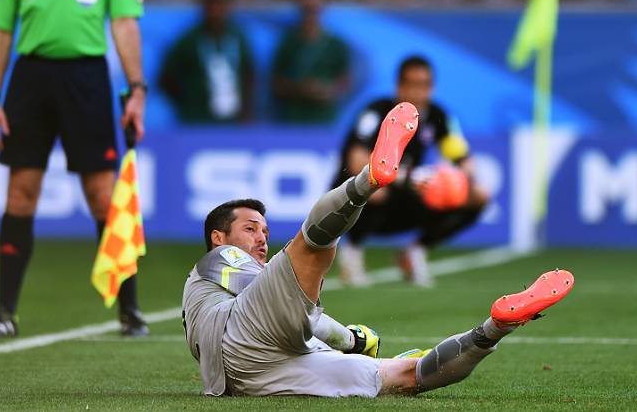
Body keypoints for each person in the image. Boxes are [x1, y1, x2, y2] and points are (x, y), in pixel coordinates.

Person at [182, 101, 575, 397]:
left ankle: (495, 329)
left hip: (256, 376)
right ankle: (368, 179)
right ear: (218, 237)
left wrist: (350, 348)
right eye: (250, 229)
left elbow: (296, 319)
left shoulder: (259, 295)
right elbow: (290, 307)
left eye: (265, 230)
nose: (261, 238)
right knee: (307, 251)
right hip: (239, 341)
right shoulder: (215, 261)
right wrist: (350, 341)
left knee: (405, 375)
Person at [0, 0, 149, 338]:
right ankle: (4, 312)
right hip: (30, 80)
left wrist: (136, 89)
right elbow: (0, 29)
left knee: (102, 194)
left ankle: (129, 310)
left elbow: (125, 23)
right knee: (21, 192)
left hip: (87, 80)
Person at [334, 55, 489, 287]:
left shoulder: (438, 117)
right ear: (399, 86)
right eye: (412, 85)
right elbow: (357, 161)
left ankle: (414, 252)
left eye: (424, 85)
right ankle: (352, 254)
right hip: (355, 200)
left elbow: (463, 157)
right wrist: (406, 176)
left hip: (404, 195)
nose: (418, 92)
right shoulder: (376, 112)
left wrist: (456, 180)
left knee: (477, 196)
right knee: (376, 186)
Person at [158, 0, 255, 124]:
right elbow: (166, 79)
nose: (215, 11)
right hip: (197, 120)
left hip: (233, 121)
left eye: (220, 4)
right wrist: (189, 102)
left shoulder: (238, 37)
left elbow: (249, 74)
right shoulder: (189, 40)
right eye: (211, 5)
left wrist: (246, 111)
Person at [270, 0, 351, 124]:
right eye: (307, 9)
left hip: (325, 119)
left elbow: (345, 81)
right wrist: (300, 89)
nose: (310, 13)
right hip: (293, 118)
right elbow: (275, 83)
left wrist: (328, 91)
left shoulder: (335, 44)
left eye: (314, 9)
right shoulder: (288, 42)